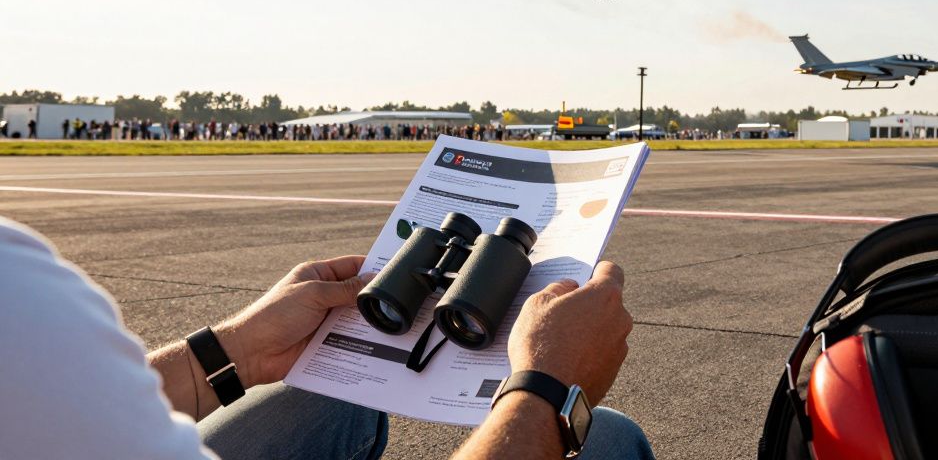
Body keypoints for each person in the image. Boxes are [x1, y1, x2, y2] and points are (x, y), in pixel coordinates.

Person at [0, 216, 652, 459]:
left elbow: (76, 418)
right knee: (608, 438)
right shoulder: (21, 283)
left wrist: (233, 352)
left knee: (329, 387)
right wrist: (542, 392)